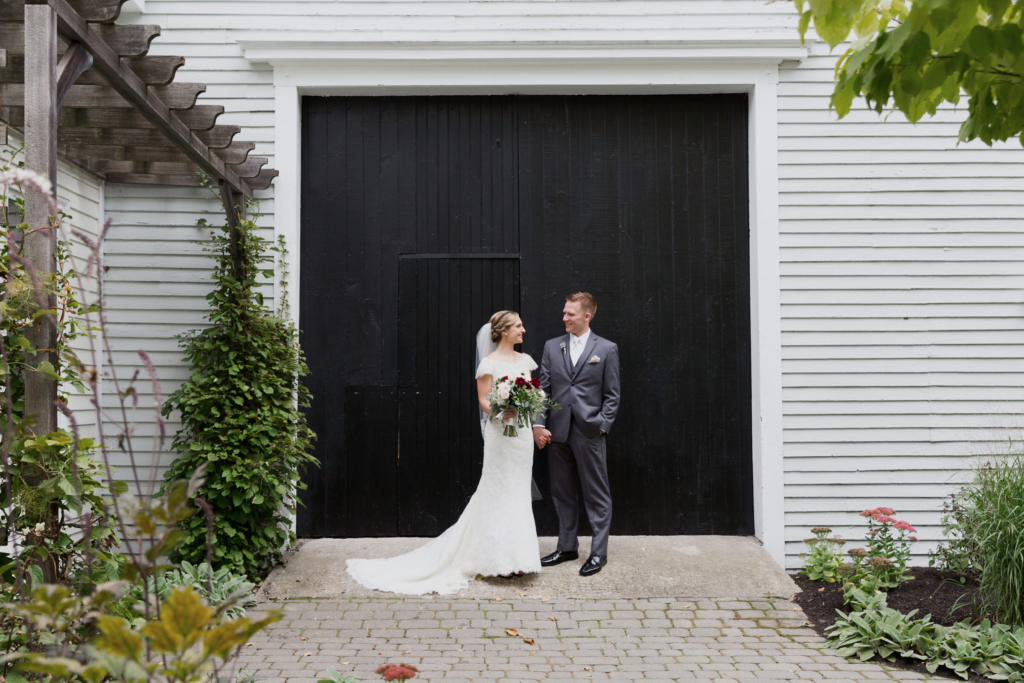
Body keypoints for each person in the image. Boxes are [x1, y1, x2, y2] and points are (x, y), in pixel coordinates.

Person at [346, 311, 541, 594]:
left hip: (521, 435)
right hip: (500, 435)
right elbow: (484, 399)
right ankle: (499, 559)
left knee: (518, 491)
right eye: (518, 325)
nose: (523, 329)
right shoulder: (489, 363)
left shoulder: (525, 361)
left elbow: (531, 393)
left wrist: (527, 409)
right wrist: (502, 412)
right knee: (498, 490)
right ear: (503, 331)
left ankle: (519, 558)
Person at [532, 292, 620, 576]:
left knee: (596, 494)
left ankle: (598, 553)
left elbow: (612, 395)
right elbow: (543, 389)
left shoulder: (606, 349)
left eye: (570, 314)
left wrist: (602, 424)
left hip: (588, 432)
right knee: (562, 493)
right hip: (557, 432)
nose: (564, 318)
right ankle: (567, 547)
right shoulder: (552, 346)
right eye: (564, 313)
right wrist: (539, 424)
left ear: (587, 316)